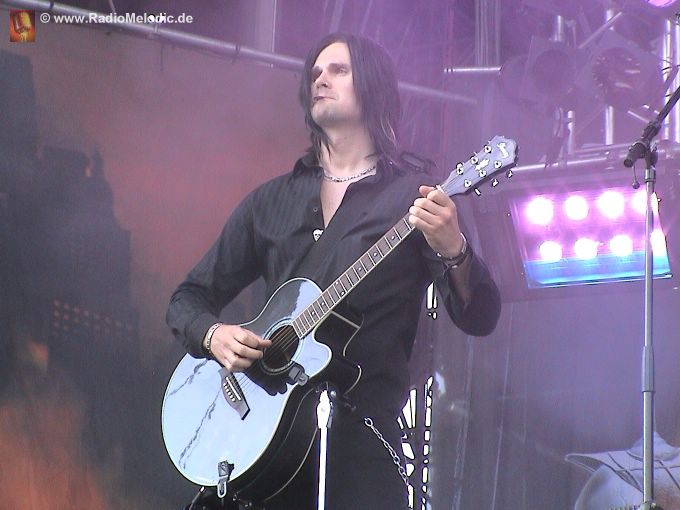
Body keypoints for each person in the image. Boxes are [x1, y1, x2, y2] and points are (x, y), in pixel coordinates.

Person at [166, 32, 501, 510]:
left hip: (362, 451)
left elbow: (479, 316)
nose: (320, 79)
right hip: (261, 449)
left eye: (338, 70)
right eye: (315, 73)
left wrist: (455, 249)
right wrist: (213, 335)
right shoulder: (270, 201)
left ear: (373, 86)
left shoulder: (414, 198)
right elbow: (186, 299)